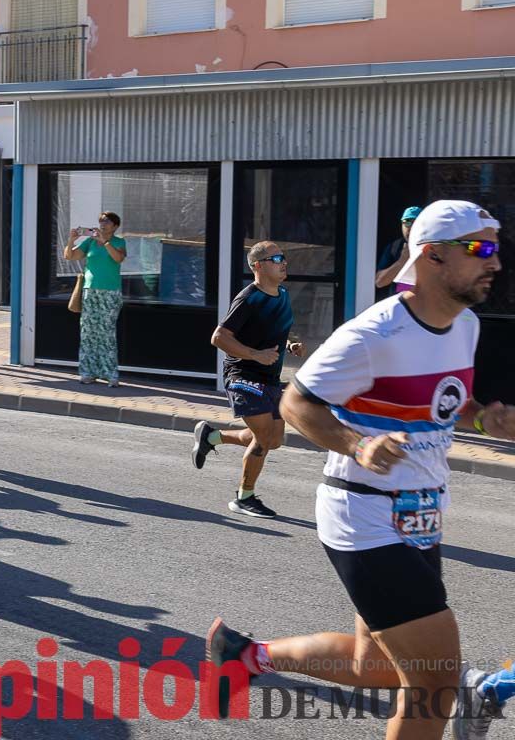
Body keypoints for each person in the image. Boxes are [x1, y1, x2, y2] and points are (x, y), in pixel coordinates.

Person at [206, 201, 515, 738]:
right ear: (434, 256)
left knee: (379, 668)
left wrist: (483, 420)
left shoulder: (465, 325)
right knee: (435, 686)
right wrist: (356, 445)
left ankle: (244, 655)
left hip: (422, 512)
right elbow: (297, 404)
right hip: (365, 513)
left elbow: (440, 401)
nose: (495, 262)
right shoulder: (374, 334)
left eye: (497, 249)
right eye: (481, 249)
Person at [191, 241, 305, 519]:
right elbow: (218, 337)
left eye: (283, 257)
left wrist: (290, 343)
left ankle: (212, 437)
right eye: (276, 258)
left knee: (273, 439)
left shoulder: (282, 294)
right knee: (264, 437)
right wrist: (255, 354)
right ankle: (244, 497)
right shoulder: (248, 298)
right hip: (243, 376)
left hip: (269, 377)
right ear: (257, 266)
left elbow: (279, 329)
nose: (283, 262)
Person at [63, 212, 128, 386]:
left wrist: (105, 242)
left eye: (106, 221)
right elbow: (70, 256)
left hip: (110, 292)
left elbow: (118, 258)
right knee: (88, 332)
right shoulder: (90, 241)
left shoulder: (119, 242)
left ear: (115, 226)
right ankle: (87, 372)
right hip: (90, 290)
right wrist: (71, 240)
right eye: (101, 221)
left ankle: (110, 374)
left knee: (106, 333)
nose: (102, 224)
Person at [376, 205, 422, 296]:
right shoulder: (395, 247)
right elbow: (379, 282)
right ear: (401, 225)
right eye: (407, 222)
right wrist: (402, 261)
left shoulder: (433, 247)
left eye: (416, 223)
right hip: (401, 304)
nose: (411, 227)